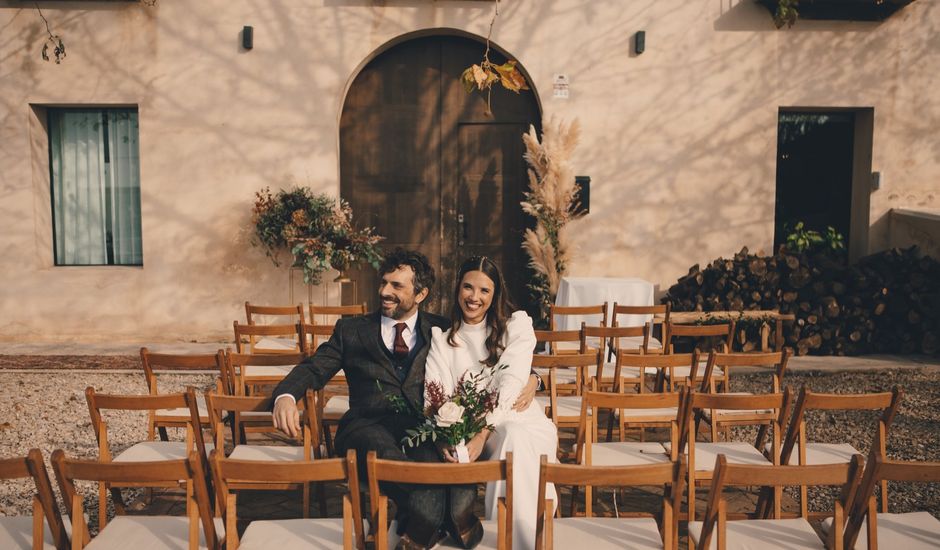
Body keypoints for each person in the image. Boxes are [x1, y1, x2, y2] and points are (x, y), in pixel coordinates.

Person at [271, 249, 539, 550]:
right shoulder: (351, 330)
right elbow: (314, 367)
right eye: (384, 282)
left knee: (455, 484)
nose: (385, 291)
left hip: (421, 431)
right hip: (365, 428)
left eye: (397, 286)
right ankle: (451, 524)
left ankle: (433, 526)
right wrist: (286, 395)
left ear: (421, 293)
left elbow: (499, 357)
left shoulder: (440, 329)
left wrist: (534, 377)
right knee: (428, 488)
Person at [425, 256, 558, 550]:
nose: (474, 297)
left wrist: (483, 432)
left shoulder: (516, 326)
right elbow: (436, 394)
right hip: (469, 433)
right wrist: (449, 435)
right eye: (468, 287)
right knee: (511, 440)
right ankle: (524, 540)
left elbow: (510, 385)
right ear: (458, 289)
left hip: (520, 421)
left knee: (515, 435)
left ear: (495, 294)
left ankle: (516, 542)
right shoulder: (443, 340)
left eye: (484, 290)